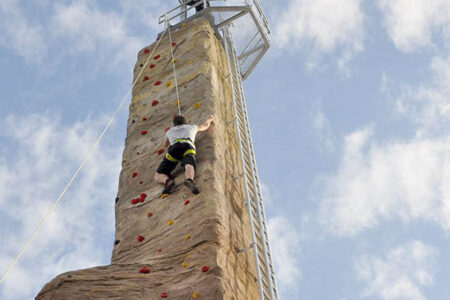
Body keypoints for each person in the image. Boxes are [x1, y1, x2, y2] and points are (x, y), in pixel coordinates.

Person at [155, 114, 214, 195]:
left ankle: (168, 181)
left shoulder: (169, 131)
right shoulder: (191, 127)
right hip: (187, 146)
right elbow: (204, 126)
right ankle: (189, 180)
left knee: (158, 175)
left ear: (175, 124)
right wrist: (209, 119)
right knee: (189, 163)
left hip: (174, 149)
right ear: (185, 123)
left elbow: (165, 144)